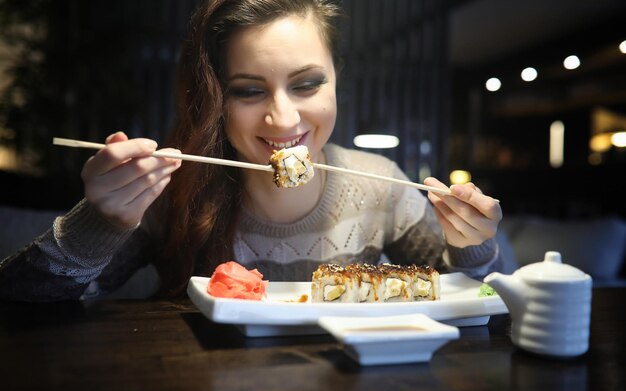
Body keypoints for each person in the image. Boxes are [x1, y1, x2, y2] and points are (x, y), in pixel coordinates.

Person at [0, 0, 503, 301]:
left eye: (307, 84)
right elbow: (23, 302)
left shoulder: (379, 182)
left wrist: (471, 245)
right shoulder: (173, 189)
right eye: (248, 90)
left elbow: (484, 295)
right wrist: (101, 222)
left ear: (336, 80)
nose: (283, 119)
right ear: (215, 98)